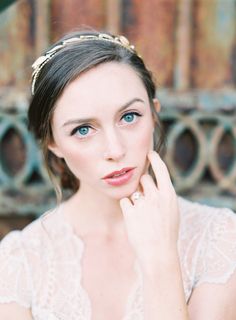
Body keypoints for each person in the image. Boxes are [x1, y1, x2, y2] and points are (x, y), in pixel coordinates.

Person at [0, 29, 236, 320]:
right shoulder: (18, 260)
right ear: (53, 143)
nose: (114, 149)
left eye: (129, 117)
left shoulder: (219, 238)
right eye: (82, 130)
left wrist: (160, 261)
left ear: (153, 114)